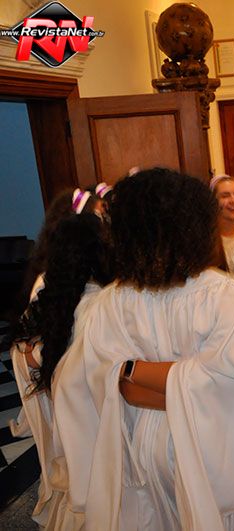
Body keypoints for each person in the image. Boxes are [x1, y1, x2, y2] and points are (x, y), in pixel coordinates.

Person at [52, 168, 234, 530]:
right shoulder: (218, 292)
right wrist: (191, 385)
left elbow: (96, 384)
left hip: (138, 453)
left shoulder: (111, 301)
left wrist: (129, 371)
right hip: (208, 448)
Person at [10, 212, 112, 530]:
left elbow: (31, 355)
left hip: (69, 426)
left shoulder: (52, 298)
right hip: (100, 424)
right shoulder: (103, 303)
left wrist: (32, 356)